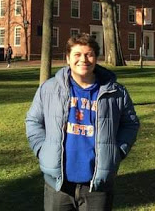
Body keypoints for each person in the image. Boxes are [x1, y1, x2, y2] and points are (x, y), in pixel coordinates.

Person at [26, 33, 140, 211]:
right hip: (58, 185)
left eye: (89, 54)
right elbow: (33, 121)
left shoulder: (116, 92)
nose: (83, 60)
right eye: (77, 55)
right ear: (68, 58)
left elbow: (130, 124)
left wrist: (117, 151)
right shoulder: (48, 89)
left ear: (96, 58)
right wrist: (41, 150)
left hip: (97, 186)